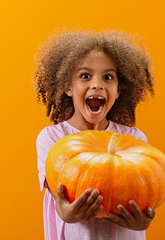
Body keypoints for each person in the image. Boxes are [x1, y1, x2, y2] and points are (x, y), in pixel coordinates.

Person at [34, 29, 156, 240]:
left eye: (108, 77)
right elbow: (60, 199)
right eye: (85, 76)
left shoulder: (135, 140)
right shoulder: (52, 138)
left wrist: (144, 219)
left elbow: (145, 195)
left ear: (118, 91)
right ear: (68, 87)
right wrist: (66, 212)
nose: (97, 84)